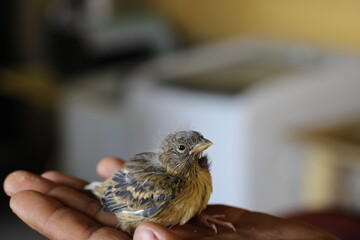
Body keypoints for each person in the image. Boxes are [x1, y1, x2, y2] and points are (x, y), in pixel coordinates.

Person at [3, 157, 339, 240]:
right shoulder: (163, 187)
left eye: (202, 156)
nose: (201, 158)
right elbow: (118, 205)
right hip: (114, 197)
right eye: (189, 154)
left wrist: (201, 215)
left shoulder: (198, 179)